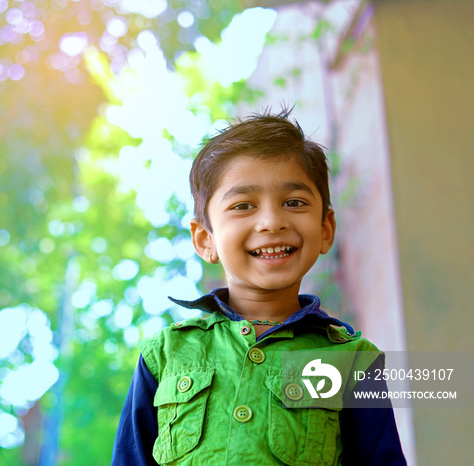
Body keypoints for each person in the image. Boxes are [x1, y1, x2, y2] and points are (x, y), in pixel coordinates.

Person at [111, 108, 406, 465]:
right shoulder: (165, 354)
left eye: (294, 202)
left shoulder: (354, 361)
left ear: (325, 229)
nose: (271, 221)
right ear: (206, 240)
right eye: (243, 205)